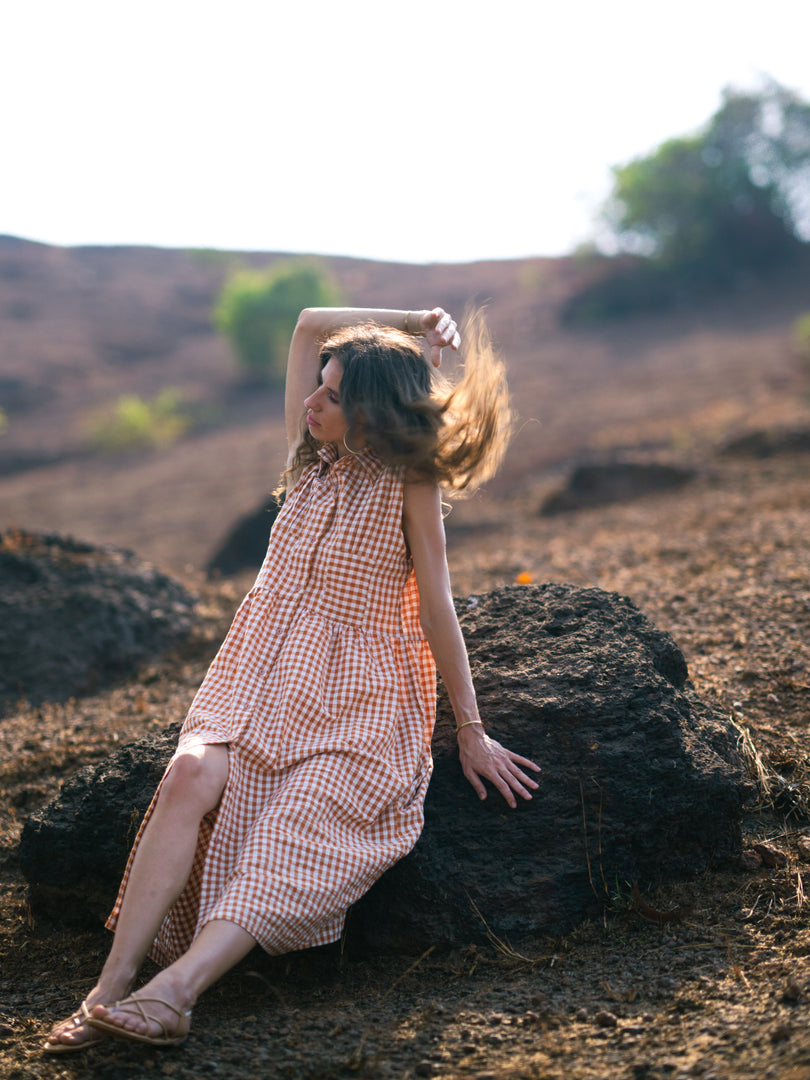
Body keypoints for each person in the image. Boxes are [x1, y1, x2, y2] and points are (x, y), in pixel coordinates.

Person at [44, 306, 541, 1053]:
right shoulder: (304, 458)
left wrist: (469, 727)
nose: (313, 402)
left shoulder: (408, 480)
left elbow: (437, 602)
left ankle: (176, 993)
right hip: (255, 679)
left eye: (334, 396)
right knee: (185, 776)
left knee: (294, 828)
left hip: (359, 697)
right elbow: (310, 325)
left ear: (370, 411)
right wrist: (410, 322)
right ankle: (108, 990)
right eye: (319, 387)